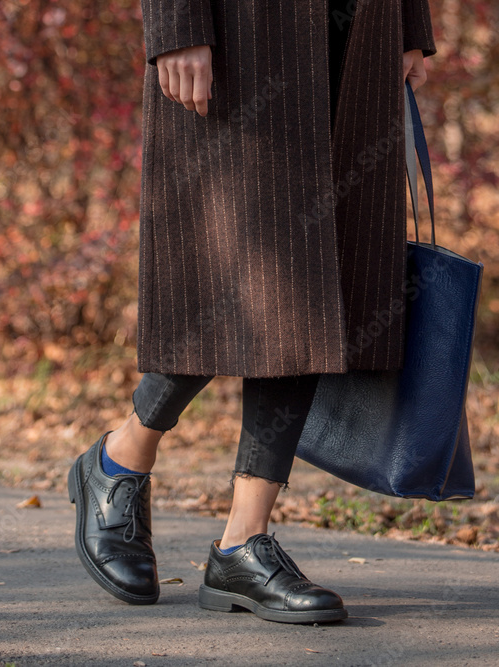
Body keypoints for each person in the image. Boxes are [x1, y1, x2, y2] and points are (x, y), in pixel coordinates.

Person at [69, 0, 436, 624]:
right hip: (242, 32)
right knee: (240, 275)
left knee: (317, 288)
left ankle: (243, 542)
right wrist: (177, 25)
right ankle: (122, 456)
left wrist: (408, 25)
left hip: (360, 30)